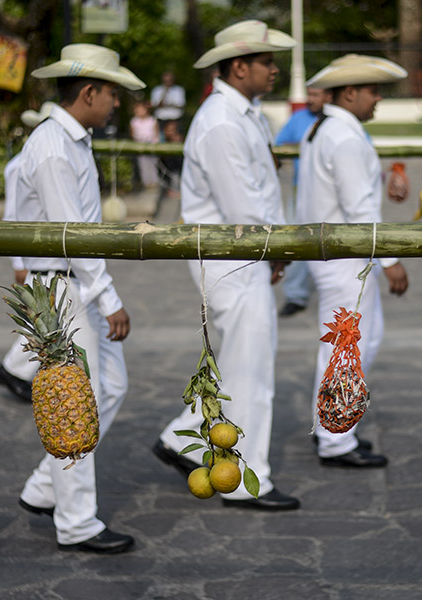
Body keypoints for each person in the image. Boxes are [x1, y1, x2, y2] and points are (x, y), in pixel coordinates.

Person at [152, 20, 300, 511]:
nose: (274, 70)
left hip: (245, 253)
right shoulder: (220, 119)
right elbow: (243, 207)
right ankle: (243, 476)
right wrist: (276, 247)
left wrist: (274, 248)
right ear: (240, 67)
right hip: (229, 255)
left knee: (242, 358)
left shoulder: (243, 112)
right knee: (252, 368)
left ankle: (181, 438)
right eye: (266, 62)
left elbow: (261, 191)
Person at [12, 43, 142, 553]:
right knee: (77, 397)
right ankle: (76, 520)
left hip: (77, 280)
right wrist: (109, 298)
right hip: (60, 286)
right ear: (88, 92)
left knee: (110, 386)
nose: (117, 104)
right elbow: (73, 235)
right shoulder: (52, 146)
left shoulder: (74, 140)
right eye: (112, 93)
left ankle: (46, 486)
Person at [297, 54, 409, 467]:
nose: (377, 99)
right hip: (343, 258)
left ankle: (334, 425)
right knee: (346, 349)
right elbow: (359, 209)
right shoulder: (341, 136)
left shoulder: (327, 128)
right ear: (350, 93)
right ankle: (334, 439)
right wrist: (391, 259)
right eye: (372, 91)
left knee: (358, 342)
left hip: (338, 256)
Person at [0, 102, 57, 403]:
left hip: (45, 252)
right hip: (35, 254)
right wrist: (18, 260)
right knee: (42, 316)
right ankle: (13, 369)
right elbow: (13, 216)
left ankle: (15, 369)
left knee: (44, 316)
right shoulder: (20, 165)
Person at [274, 86, 332, 318]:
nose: (311, 99)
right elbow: (279, 147)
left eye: (316, 94)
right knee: (294, 241)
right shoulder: (299, 119)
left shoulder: (335, 123)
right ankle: (296, 294)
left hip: (328, 194)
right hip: (302, 189)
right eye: (309, 94)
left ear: (328, 96)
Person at [130, 100, 159, 188]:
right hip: (140, 145)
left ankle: (154, 182)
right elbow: (133, 134)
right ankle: (146, 182)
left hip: (151, 145)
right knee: (143, 165)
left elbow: (156, 133)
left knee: (153, 164)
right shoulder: (134, 121)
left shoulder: (152, 120)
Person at [150, 71, 185, 136]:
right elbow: (154, 105)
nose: (168, 82)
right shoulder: (157, 90)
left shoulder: (179, 90)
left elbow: (181, 104)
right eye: (166, 81)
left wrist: (168, 105)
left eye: (169, 80)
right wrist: (164, 94)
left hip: (175, 117)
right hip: (161, 117)